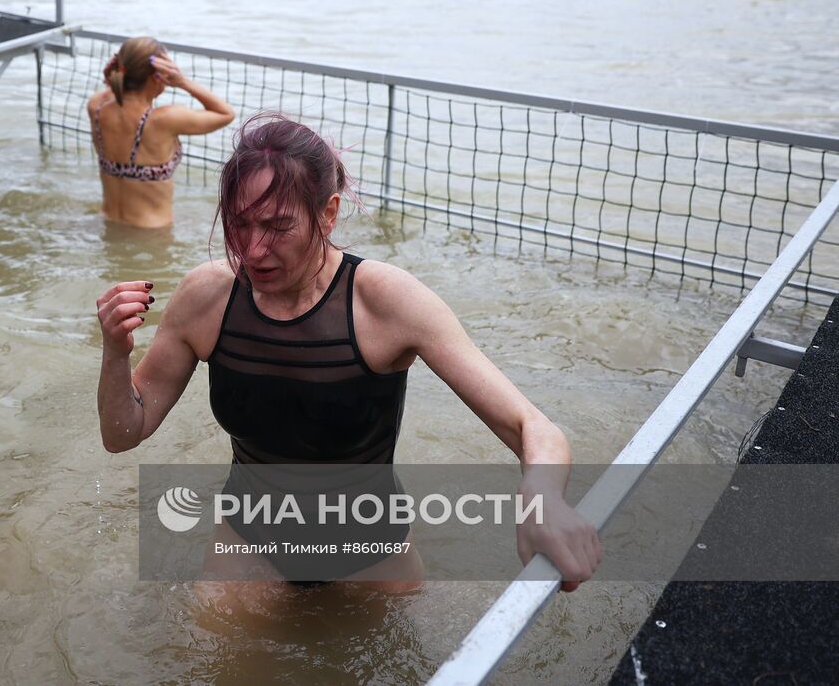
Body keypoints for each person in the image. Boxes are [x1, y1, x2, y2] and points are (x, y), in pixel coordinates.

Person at [95, 114, 602, 607]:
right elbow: (123, 433)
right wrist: (116, 354)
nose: (253, 249)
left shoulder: (384, 300)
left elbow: (532, 426)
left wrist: (545, 500)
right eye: (240, 223)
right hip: (248, 547)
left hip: (371, 556)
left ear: (328, 213)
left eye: (277, 226)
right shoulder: (206, 297)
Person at [87, 37, 234, 227]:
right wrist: (183, 82)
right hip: (152, 233)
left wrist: (115, 77)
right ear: (158, 76)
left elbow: (110, 92)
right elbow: (226, 113)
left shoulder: (97, 109)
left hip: (108, 223)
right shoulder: (163, 120)